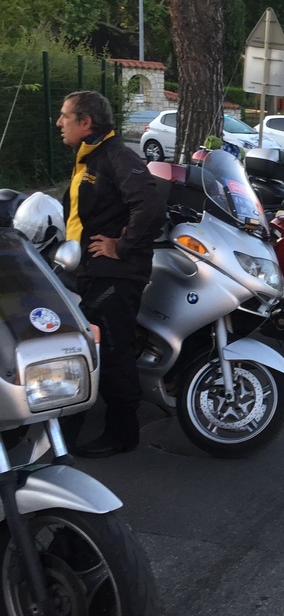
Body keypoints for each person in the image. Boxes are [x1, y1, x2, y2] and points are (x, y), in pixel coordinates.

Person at [58, 90, 165, 458]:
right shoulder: (91, 155)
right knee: (94, 347)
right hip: (91, 270)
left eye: (65, 116)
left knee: (114, 353)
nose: (59, 123)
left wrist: (121, 247)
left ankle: (122, 434)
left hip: (115, 275)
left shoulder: (116, 155)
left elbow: (150, 206)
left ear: (86, 122)